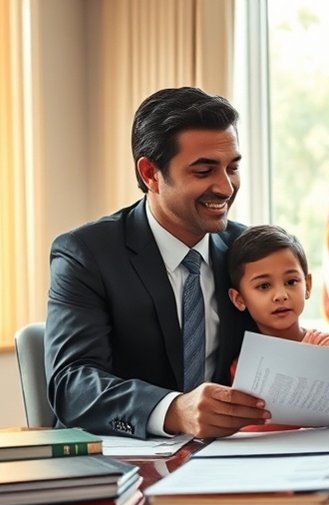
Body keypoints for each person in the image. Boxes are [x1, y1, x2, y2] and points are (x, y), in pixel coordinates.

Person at [46, 87, 269, 439]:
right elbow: (72, 385)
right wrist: (172, 410)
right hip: (121, 465)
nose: (226, 188)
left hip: (233, 457)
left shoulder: (250, 251)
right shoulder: (86, 253)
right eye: (204, 170)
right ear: (150, 173)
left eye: (233, 168)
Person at [227, 224, 329, 381]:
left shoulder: (328, 348)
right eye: (264, 286)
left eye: (291, 282)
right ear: (239, 299)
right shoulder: (242, 365)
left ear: (307, 285)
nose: (281, 295)